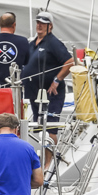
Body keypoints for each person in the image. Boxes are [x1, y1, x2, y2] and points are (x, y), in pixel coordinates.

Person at [21, 11, 74, 167]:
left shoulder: (53, 42)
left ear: (50, 26)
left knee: (50, 127)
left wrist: (57, 80)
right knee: (38, 126)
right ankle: (38, 161)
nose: (39, 25)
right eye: (38, 22)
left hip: (51, 93)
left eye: (43, 23)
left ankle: (48, 163)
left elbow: (70, 62)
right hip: (35, 93)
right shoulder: (33, 43)